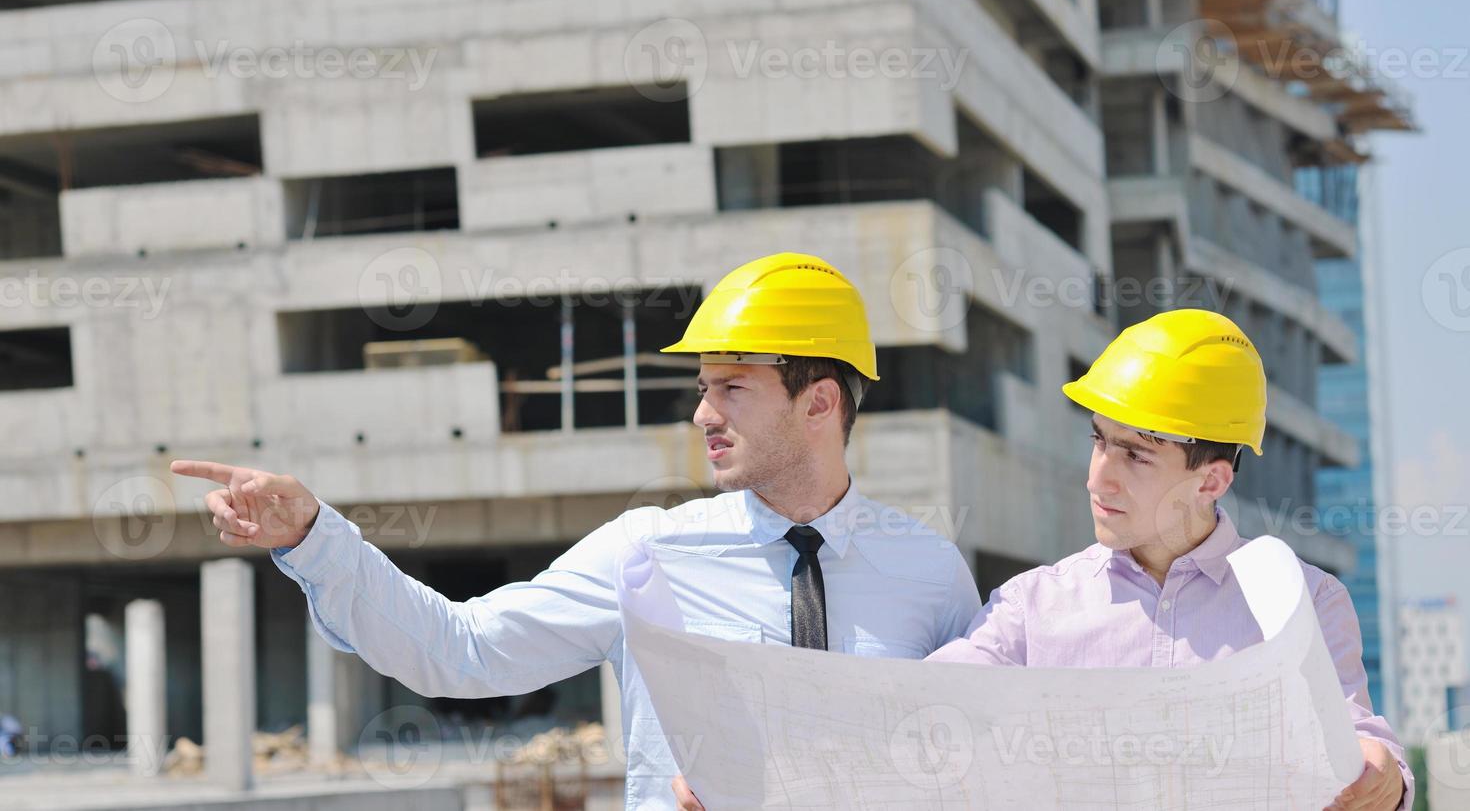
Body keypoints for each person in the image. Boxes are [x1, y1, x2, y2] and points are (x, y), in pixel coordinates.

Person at [177, 251, 981, 810]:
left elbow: (974, 765)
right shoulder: (648, 554)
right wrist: (315, 537)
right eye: (703, 388)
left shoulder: (930, 571)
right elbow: (463, 650)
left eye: (732, 387)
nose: (703, 413)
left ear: (819, 403)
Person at [675, 309, 1411, 811]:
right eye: (1098, 440)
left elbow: (1363, 747)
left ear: (1211, 479)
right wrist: (761, 757)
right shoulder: (1033, 609)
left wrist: (1384, 779)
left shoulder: (1297, 600)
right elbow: (908, 715)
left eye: (1135, 454)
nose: (1099, 477)